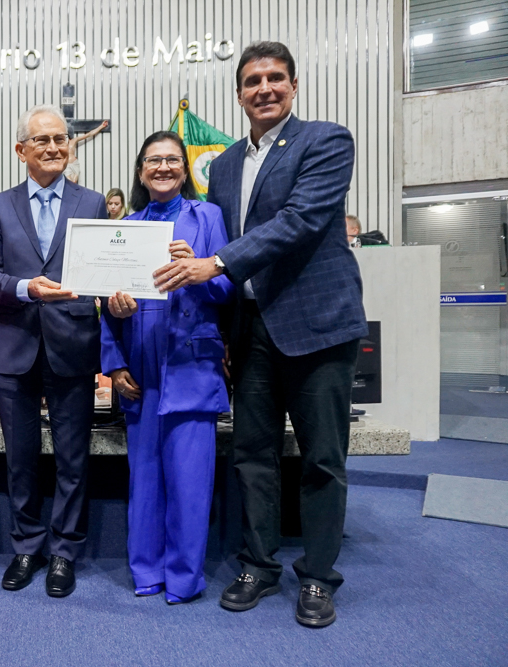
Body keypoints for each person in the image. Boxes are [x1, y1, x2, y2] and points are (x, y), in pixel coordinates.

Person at [158, 41, 368, 628]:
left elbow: (299, 222)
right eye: (253, 81)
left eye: (276, 78)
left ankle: (320, 577)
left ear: (293, 86)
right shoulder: (222, 166)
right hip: (249, 333)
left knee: (322, 459)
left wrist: (214, 263)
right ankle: (257, 563)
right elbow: (212, 239)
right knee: (252, 454)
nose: (264, 89)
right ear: (240, 93)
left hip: (318, 326)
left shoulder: (325, 140)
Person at [0, 104, 108, 598]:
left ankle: (64, 552)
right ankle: (27, 545)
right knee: (21, 459)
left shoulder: (93, 202)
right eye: (42, 141)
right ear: (21, 150)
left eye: (61, 139)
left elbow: (103, 273)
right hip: (16, 348)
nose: (54, 147)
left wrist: (115, 294)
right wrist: (28, 288)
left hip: (72, 345)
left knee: (74, 458)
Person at [100, 131, 234, 605]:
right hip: (140, 367)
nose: (163, 168)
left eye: (172, 160)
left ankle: (183, 578)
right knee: (146, 479)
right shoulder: (127, 225)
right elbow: (107, 305)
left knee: (190, 482)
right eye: (153, 161)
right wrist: (114, 365)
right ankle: (146, 572)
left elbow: (227, 291)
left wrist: (199, 269)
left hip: (191, 365)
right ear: (140, 171)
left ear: (185, 168)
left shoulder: (209, 217)